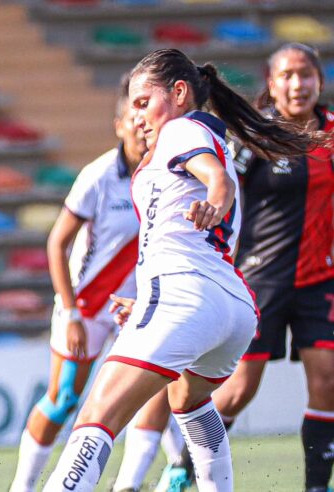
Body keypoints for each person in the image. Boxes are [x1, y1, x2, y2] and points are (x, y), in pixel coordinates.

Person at [43, 48, 321, 492]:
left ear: (178, 92)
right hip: (229, 308)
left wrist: (214, 200)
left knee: (98, 416)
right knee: (189, 401)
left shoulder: (179, 131)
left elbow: (219, 181)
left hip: (186, 296)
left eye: (141, 102)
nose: (136, 117)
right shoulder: (200, 135)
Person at [9, 76, 146, 492]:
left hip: (135, 307)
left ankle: (138, 481)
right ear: (118, 124)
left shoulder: (167, 172)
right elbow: (57, 243)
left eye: (146, 117)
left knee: (151, 397)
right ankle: (24, 485)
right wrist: (68, 312)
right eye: (131, 118)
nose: (141, 126)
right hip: (87, 305)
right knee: (64, 399)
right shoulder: (99, 175)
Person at [209, 43, 334, 492]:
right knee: (240, 390)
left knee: (328, 382)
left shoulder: (333, 134)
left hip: (320, 281)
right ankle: (184, 466)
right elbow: (221, 194)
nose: (297, 84)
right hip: (259, 280)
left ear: (319, 80)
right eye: (287, 75)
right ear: (271, 81)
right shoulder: (254, 138)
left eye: (305, 75)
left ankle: (317, 487)